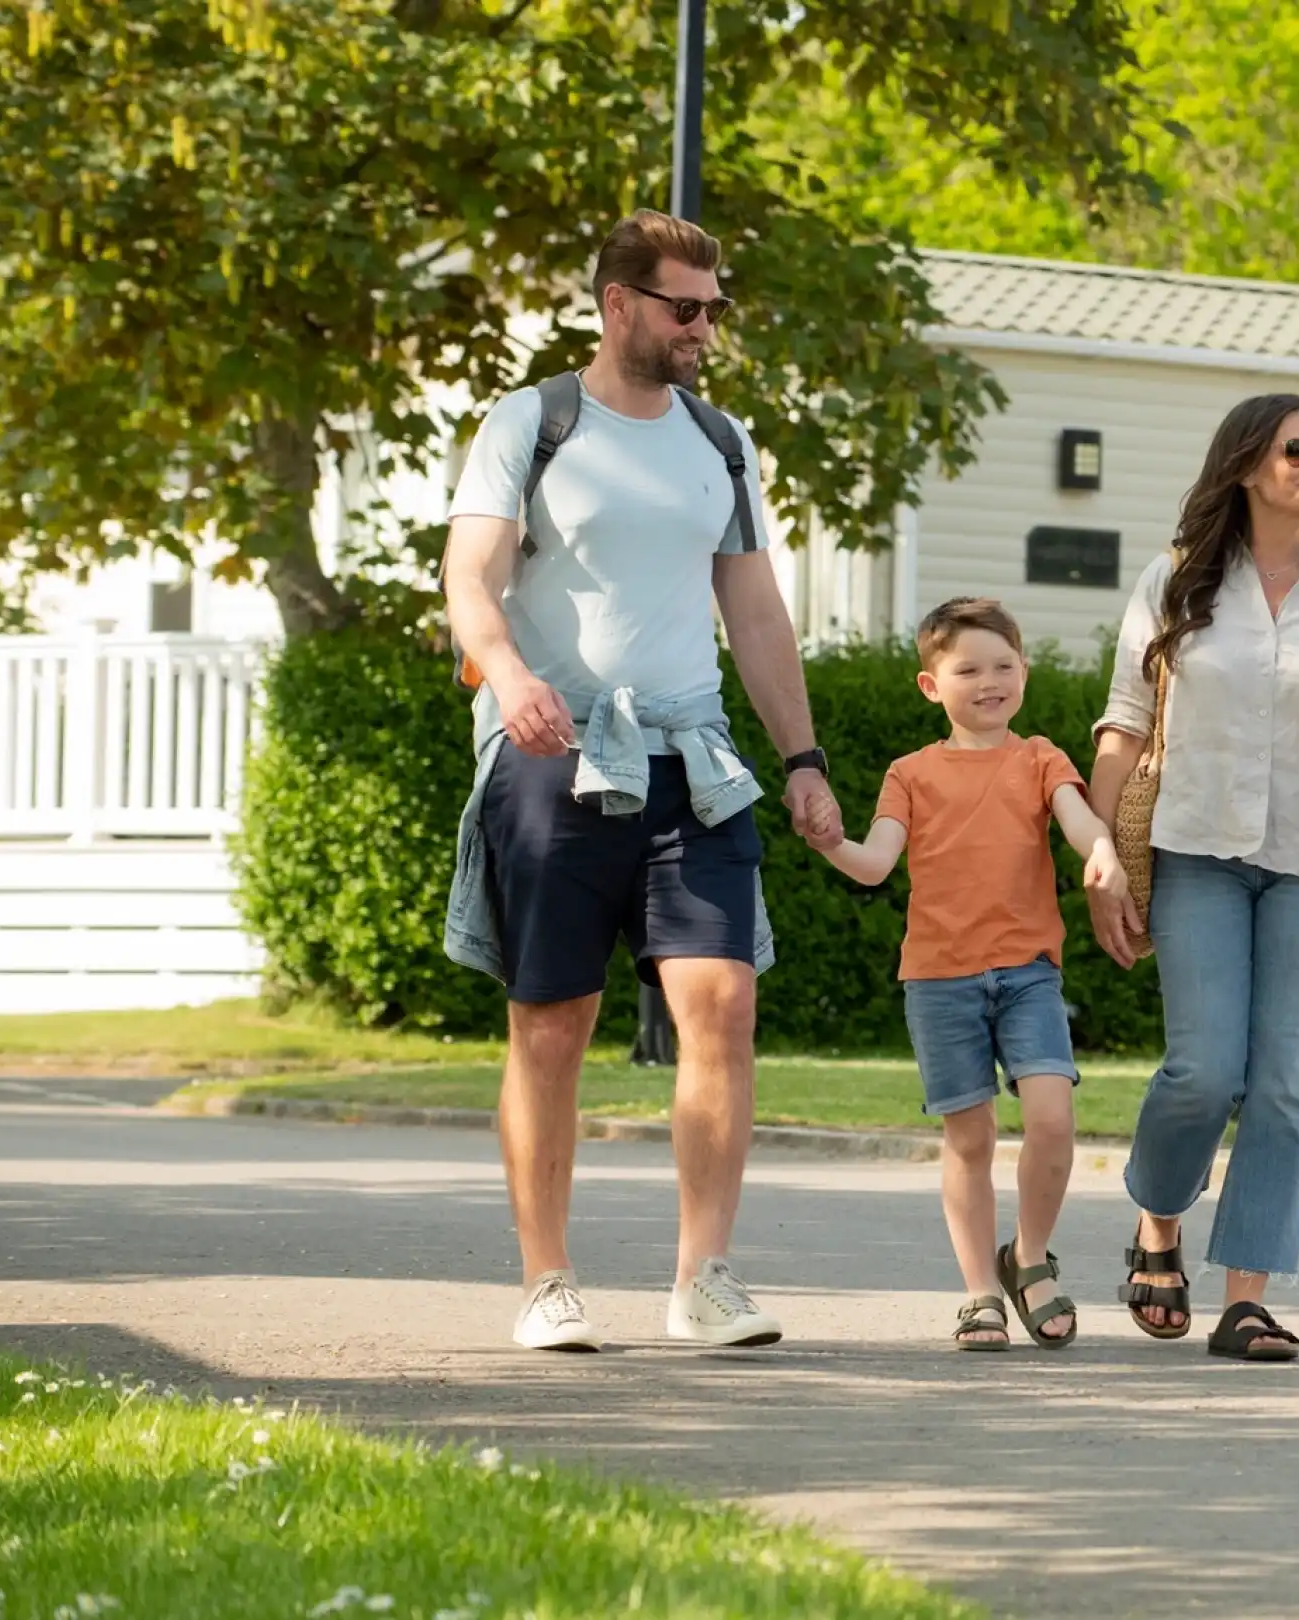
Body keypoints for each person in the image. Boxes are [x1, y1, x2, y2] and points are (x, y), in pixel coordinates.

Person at [441, 209, 842, 1353]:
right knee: (553, 1021)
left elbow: (755, 611)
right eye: (684, 306)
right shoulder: (534, 422)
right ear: (619, 305)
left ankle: (703, 1278)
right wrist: (509, 674)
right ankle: (547, 1281)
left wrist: (803, 759)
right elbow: (471, 571)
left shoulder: (723, 442)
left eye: (714, 307)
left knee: (722, 1001)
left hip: (693, 760)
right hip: (553, 758)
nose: (704, 326)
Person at [1085, 394, 1299, 1363]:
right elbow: (1124, 720)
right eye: (1297, 449)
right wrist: (1101, 852)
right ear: (1246, 464)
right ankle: (1158, 1221)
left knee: (1283, 1086)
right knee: (1203, 1072)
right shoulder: (1176, 582)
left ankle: (1246, 1298)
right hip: (1199, 852)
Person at [816, 597, 1126, 1350]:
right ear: (932, 686)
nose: (989, 681)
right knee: (970, 1139)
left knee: (1052, 1118)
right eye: (968, 669)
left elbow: (1077, 816)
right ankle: (980, 1293)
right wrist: (831, 841)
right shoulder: (910, 774)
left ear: (1024, 672)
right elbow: (875, 862)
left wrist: (1102, 848)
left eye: (1004, 666)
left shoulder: (1041, 756)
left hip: (1027, 974)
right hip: (938, 978)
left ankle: (1028, 1258)